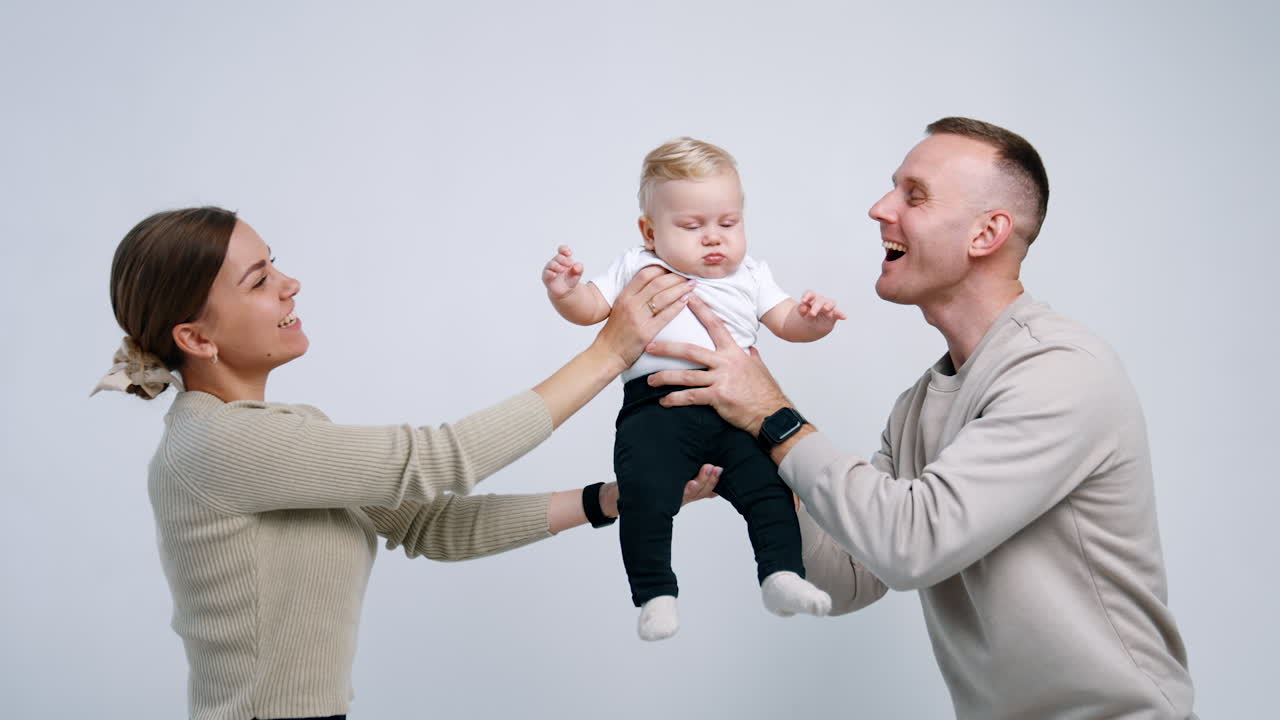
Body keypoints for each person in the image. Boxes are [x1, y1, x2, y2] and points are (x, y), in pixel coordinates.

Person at [645, 119, 1196, 718]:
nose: (880, 209)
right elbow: (850, 576)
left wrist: (771, 416)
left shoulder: (1061, 370)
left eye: (915, 195)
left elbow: (911, 543)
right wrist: (746, 447)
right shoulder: (919, 406)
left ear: (987, 233)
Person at [92, 206, 722, 720]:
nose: (290, 283)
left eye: (274, 264)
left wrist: (610, 499)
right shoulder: (218, 443)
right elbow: (441, 458)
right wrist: (609, 355)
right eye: (258, 281)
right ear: (196, 339)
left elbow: (429, 525)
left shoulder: (282, 432)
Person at [540, 137, 843, 641]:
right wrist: (566, 293)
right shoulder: (637, 265)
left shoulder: (752, 274)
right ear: (650, 231)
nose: (713, 238)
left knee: (771, 488)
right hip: (655, 408)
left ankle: (781, 575)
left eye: (728, 223)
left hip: (736, 408)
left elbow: (786, 321)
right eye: (691, 226)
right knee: (644, 494)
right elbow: (591, 308)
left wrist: (815, 321)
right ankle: (656, 593)